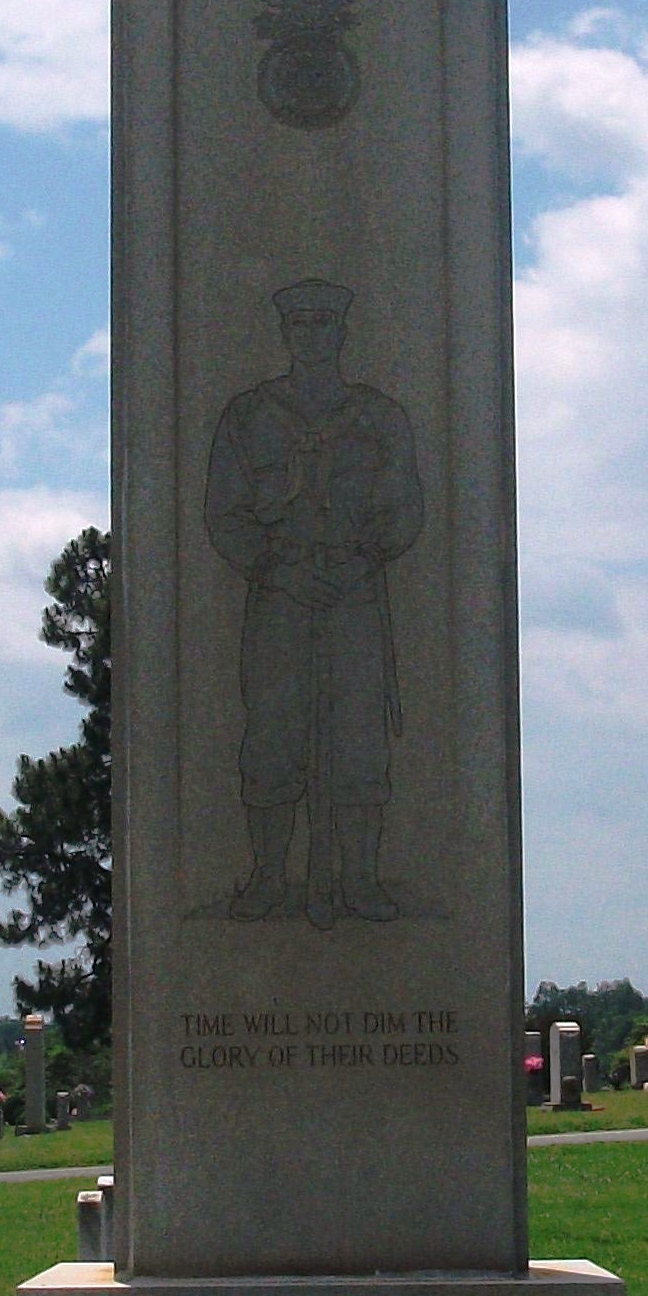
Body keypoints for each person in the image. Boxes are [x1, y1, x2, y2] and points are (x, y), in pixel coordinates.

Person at [204, 279, 424, 928]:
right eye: (300, 325)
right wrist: (280, 569)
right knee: (271, 737)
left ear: (341, 331)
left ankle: (359, 879)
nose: (312, 335)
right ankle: (269, 877)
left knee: (359, 740)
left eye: (323, 323)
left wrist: (361, 559)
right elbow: (225, 514)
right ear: (285, 333)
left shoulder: (378, 417)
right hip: (279, 600)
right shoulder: (249, 416)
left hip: (355, 598)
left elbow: (405, 507)